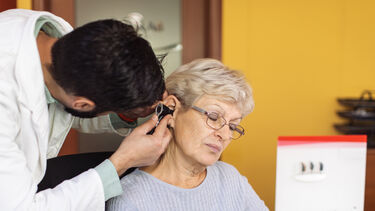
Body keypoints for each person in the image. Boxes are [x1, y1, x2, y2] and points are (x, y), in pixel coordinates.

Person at [0, 9, 172, 210]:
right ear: (82, 104)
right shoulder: (5, 102)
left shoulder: (61, 45)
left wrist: (129, 113)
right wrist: (122, 161)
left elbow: (62, 109)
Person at [106, 59, 269, 210]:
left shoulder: (230, 178)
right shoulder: (131, 200)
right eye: (213, 117)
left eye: (233, 126)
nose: (225, 135)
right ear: (172, 108)